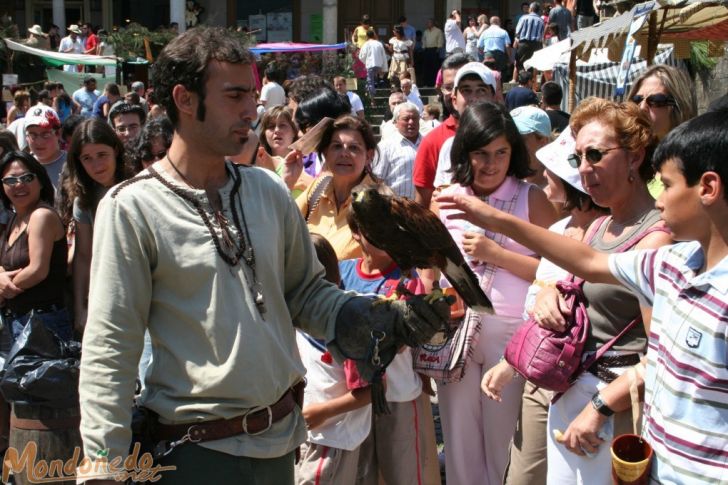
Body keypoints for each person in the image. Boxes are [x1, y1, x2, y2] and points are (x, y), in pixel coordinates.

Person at [78, 27, 448, 485]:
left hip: (279, 445)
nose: (252, 111)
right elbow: (110, 347)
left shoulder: (267, 190)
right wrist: (103, 464)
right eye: (235, 96)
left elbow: (308, 294)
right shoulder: (132, 207)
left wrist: (374, 317)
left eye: (252, 95)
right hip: (194, 453)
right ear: (184, 99)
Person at [441, 107, 728, 485]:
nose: (583, 169)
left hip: (610, 403)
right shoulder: (661, 255)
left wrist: (601, 405)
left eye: (594, 155)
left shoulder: (659, 245)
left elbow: (652, 354)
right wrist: (547, 293)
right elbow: (587, 268)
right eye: (579, 158)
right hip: (572, 390)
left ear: (634, 156)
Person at [434, 101, 556, 485]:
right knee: (458, 441)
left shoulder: (532, 198)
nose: (491, 163)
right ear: (465, 152)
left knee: (504, 445)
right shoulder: (445, 199)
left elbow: (558, 272)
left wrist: (497, 256)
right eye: (481, 153)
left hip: (513, 338)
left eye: (501, 152)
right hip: (456, 333)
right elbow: (430, 265)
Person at [481, 128, 607, 485]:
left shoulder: (607, 236)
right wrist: (512, 363)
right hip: (542, 376)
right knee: (524, 474)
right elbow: (540, 293)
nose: (543, 176)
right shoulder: (560, 226)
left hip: (584, 382)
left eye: (550, 171)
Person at [0, 150, 76, 485]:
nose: (18, 185)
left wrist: (4, 285)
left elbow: (37, 270)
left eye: (25, 177)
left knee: (45, 409)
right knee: (22, 405)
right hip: (17, 322)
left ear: (39, 179)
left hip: (42, 326)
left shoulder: (42, 215)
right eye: (10, 180)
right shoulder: (16, 220)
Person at [342, 213, 432, 485]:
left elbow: (405, 340)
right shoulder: (341, 272)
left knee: (403, 475)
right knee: (361, 476)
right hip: (354, 400)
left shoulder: (408, 278)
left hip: (399, 396)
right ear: (356, 231)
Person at [294, 233, 372, 485]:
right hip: (310, 435)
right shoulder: (300, 313)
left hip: (331, 439)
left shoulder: (346, 324)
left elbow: (371, 391)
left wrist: (322, 412)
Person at [65, 119, 129, 332]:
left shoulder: (139, 186)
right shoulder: (83, 201)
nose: (97, 165)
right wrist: (81, 308)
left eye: (102, 155)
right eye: (87, 158)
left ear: (116, 150)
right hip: (108, 294)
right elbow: (84, 256)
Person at [296, 115, 378, 261]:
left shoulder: (377, 203)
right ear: (326, 153)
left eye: (354, 148)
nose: (344, 153)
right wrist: (288, 180)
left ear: (369, 156)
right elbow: (284, 224)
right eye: (337, 146)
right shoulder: (318, 187)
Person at [412, 53, 470, 207]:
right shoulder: (433, 141)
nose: (455, 94)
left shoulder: (504, 134)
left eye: (464, 86)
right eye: (449, 87)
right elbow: (422, 206)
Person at [432, 62, 499, 188]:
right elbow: (439, 199)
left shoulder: (509, 141)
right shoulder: (449, 147)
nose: (473, 98)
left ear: (494, 98)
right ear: (454, 100)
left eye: (481, 90)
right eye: (466, 90)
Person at [626, 64, 696, 141]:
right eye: (637, 100)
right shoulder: (627, 151)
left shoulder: (697, 151)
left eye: (655, 100)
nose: (642, 107)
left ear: (678, 106)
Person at [257, 106, 311, 198]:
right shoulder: (258, 166)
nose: (277, 130)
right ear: (264, 134)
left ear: (294, 131)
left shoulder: (309, 163)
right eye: (271, 126)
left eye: (282, 125)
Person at [373, 102, 421, 199]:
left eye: (415, 118)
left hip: (426, 208)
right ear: (395, 122)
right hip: (397, 208)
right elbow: (377, 181)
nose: (411, 122)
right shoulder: (385, 147)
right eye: (406, 119)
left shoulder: (428, 143)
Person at [23, 107, 66, 192]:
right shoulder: (23, 166)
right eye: (33, 135)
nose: (39, 142)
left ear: (58, 133)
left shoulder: (72, 164)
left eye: (46, 134)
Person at [511, 105, 552, 187]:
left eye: (520, 138)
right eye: (509, 137)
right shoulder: (503, 181)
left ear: (543, 141)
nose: (512, 144)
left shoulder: (559, 191)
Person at [514, 3, 545, 73]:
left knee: (520, 63)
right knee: (533, 64)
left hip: (524, 43)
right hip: (537, 45)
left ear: (530, 9)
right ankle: (531, 79)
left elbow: (518, 31)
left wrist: (516, 41)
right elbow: (542, 35)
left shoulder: (524, 18)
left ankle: (523, 78)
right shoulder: (541, 20)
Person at [358, 31, 388, 97]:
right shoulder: (379, 44)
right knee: (379, 80)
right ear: (374, 35)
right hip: (379, 65)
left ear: (367, 36)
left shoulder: (366, 44)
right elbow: (384, 56)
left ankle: (371, 99)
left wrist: (366, 62)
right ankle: (381, 95)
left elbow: (361, 56)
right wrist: (384, 68)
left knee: (370, 82)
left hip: (370, 65)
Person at [422, 19, 444, 87]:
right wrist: (424, 48)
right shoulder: (425, 31)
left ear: (432, 23)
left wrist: (437, 49)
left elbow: (440, 41)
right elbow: (423, 40)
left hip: (434, 50)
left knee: (434, 68)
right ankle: (426, 83)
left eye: (429, 23)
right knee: (426, 68)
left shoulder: (438, 31)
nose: (427, 24)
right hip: (427, 50)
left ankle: (435, 83)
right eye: (427, 23)